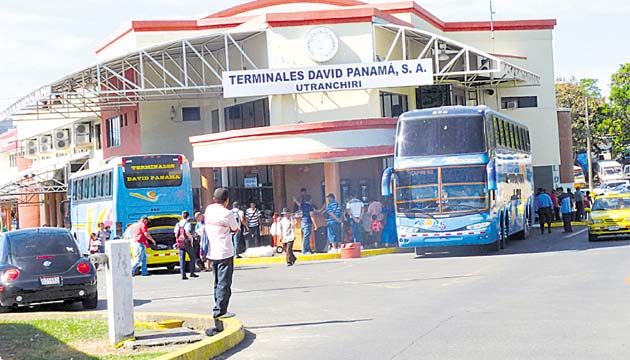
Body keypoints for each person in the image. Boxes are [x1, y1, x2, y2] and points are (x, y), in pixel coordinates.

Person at [204, 188, 240, 320]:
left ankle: (218, 306)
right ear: (227, 200)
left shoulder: (209, 209)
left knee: (217, 282)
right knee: (224, 283)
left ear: (214, 199)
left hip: (212, 252)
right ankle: (221, 310)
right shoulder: (227, 213)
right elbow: (235, 229)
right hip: (225, 251)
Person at [174, 211, 197, 280]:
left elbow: (175, 234)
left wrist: (178, 241)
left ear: (182, 216)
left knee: (181, 259)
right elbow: (187, 232)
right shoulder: (187, 223)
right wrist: (191, 239)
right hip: (186, 242)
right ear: (188, 216)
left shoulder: (178, 224)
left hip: (180, 242)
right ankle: (192, 272)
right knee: (192, 257)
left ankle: (183, 274)